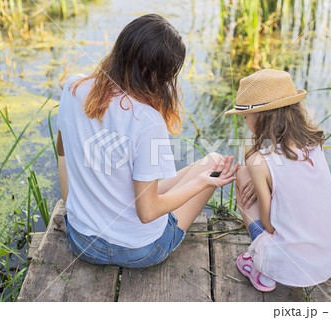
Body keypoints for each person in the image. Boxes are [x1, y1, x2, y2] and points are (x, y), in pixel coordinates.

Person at [56, 14, 239, 268]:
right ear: (158, 76)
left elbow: (62, 153)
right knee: (215, 163)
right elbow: (148, 212)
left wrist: (73, 211)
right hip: (139, 251)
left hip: (82, 241)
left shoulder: (73, 87)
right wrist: (201, 182)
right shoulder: (148, 120)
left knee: (196, 172)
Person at [224, 69, 331, 291]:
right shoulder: (313, 143)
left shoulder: (258, 160)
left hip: (291, 264)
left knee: (241, 174)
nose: (245, 121)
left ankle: (262, 270)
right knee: (252, 175)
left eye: (246, 116)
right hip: (329, 254)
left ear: (260, 116)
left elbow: (269, 225)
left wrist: (258, 176)